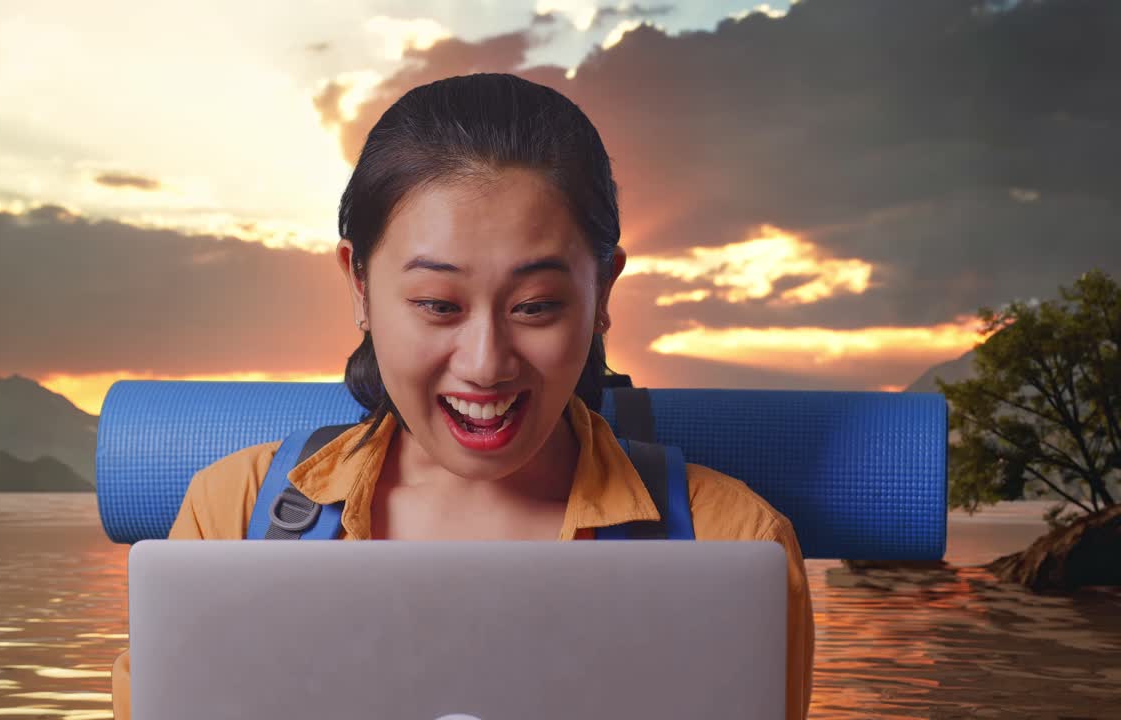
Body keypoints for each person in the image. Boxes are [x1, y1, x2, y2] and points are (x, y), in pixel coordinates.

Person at [111, 72, 813, 720]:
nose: (485, 365)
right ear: (359, 284)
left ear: (604, 292)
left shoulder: (736, 544)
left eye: (535, 306)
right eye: (438, 305)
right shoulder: (233, 518)